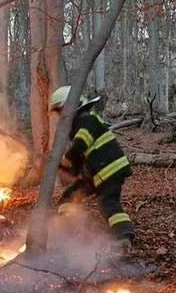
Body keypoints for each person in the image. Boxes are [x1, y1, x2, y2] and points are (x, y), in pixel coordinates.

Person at [49, 85, 135, 250]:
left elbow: (81, 144)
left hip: (110, 170)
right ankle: (64, 232)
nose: (60, 116)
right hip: (97, 174)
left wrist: (65, 159)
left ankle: (124, 236)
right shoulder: (80, 124)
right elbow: (79, 161)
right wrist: (68, 169)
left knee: (108, 201)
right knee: (70, 194)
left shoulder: (88, 120)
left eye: (60, 111)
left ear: (70, 107)